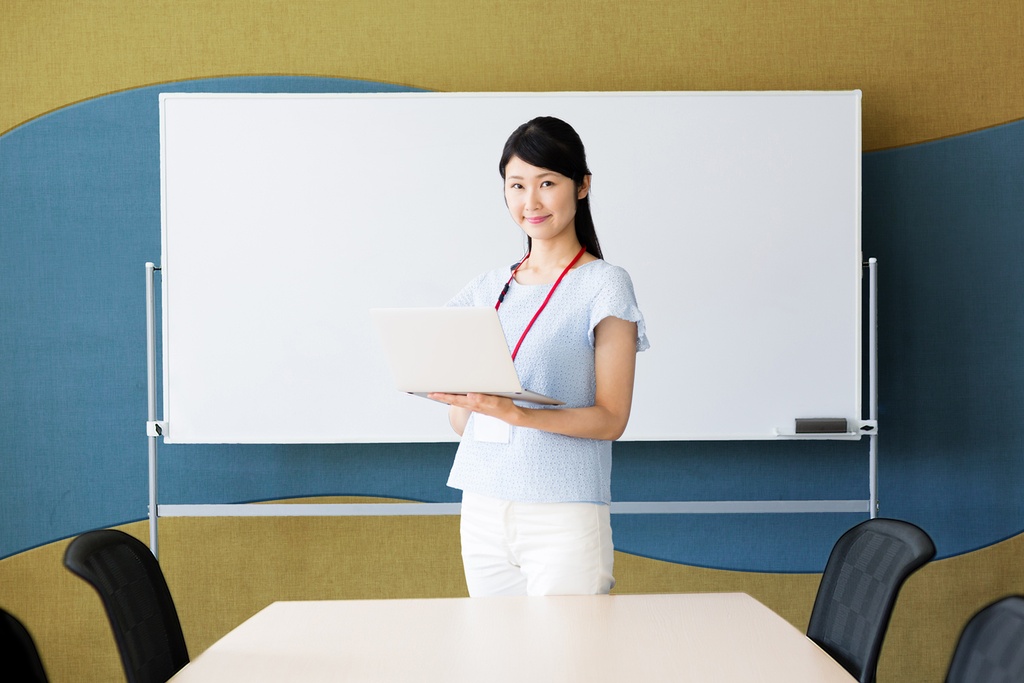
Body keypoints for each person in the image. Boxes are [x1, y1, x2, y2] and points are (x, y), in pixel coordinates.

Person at [428, 116, 649, 597]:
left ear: (582, 185)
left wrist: (516, 413)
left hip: (562, 512)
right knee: (494, 662)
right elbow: (462, 423)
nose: (531, 201)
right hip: (483, 504)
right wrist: (464, 401)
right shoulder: (486, 289)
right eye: (517, 185)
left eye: (547, 182)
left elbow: (611, 419)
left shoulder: (605, 284)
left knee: (567, 665)